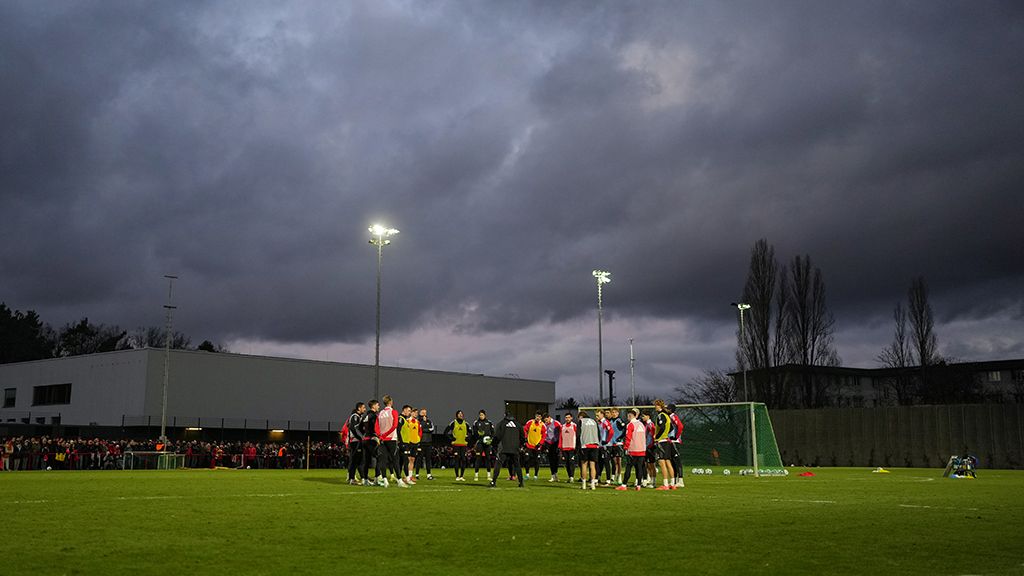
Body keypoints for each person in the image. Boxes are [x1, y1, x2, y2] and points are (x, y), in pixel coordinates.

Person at [375, 395, 406, 488]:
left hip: (382, 440)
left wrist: (380, 436)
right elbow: (395, 425)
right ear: (391, 402)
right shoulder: (394, 412)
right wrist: (385, 435)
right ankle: (400, 480)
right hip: (391, 438)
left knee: (383, 460)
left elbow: (376, 427)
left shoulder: (380, 413)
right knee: (395, 459)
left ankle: (385, 480)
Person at [490, 409, 523, 488]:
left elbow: (497, 436)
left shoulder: (501, 424)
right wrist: (519, 446)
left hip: (504, 448)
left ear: (505, 415)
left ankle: (493, 481)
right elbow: (522, 437)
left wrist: (494, 445)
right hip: (515, 449)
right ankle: (521, 482)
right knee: (517, 465)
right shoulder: (518, 424)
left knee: (498, 464)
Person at [617, 408, 647, 491]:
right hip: (642, 449)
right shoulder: (641, 424)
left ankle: (624, 485)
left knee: (629, 467)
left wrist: (626, 447)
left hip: (633, 449)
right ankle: (638, 486)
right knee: (639, 467)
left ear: (630, 416)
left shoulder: (630, 425)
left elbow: (628, 437)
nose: (627, 418)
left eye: (628, 416)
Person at [653, 399, 676, 490]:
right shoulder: (667, 415)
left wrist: (657, 437)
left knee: (662, 462)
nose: (655, 407)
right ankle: (672, 484)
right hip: (667, 440)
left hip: (662, 441)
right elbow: (670, 428)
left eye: (656, 405)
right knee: (668, 462)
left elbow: (662, 427)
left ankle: (665, 484)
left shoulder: (660, 415)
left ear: (659, 406)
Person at [444, 410, 470, 481]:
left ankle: (462, 476)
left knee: (464, 460)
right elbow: (445, 432)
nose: (461, 415)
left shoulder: (466, 423)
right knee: (457, 459)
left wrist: (468, 438)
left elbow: (470, 432)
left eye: (462, 414)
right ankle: (457, 476)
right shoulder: (453, 422)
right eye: (459, 414)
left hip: (464, 444)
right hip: (456, 444)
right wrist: (451, 439)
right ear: (456, 415)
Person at [577, 409, 599, 490]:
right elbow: (598, 433)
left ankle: (584, 484)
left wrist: (578, 447)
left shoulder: (581, 422)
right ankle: (593, 484)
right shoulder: (594, 421)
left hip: (585, 445)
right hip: (595, 445)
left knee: (584, 464)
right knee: (592, 465)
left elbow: (578, 435)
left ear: (581, 417)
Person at [399, 405, 421, 485]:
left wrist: (418, 440)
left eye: (417, 413)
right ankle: (404, 477)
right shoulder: (406, 420)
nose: (416, 414)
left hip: (415, 443)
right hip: (408, 443)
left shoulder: (418, 422)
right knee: (406, 460)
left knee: (412, 460)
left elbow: (420, 432)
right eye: (414, 412)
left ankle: (410, 476)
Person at [346, 402, 366, 484]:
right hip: (355, 441)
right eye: (363, 407)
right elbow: (353, 428)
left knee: (358, 460)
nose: (364, 409)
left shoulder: (358, 417)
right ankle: (352, 479)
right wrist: (360, 438)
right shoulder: (355, 416)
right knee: (355, 461)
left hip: (356, 441)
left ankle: (361, 477)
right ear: (359, 408)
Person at [360, 400, 380, 486]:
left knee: (366, 461)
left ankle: (365, 480)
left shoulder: (365, 416)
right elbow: (376, 428)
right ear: (374, 406)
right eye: (378, 405)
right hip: (372, 440)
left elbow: (359, 427)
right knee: (380, 457)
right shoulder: (374, 416)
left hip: (365, 440)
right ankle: (377, 478)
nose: (379, 407)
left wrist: (363, 435)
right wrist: (376, 436)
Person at [472, 410, 495, 482]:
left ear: (485, 415)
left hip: (487, 444)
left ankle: (488, 475)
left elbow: (493, 432)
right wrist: (478, 435)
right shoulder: (476, 422)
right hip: (480, 443)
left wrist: (490, 439)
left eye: (482, 415)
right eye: (480, 415)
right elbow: (474, 432)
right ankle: (476, 475)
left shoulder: (489, 422)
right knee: (478, 458)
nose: (481, 416)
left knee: (488, 459)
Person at [522, 411, 546, 480]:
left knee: (536, 461)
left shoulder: (542, 425)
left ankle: (535, 476)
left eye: (539, 416)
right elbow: (525, 430)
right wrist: (526, 438)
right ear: (535, 416)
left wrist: (540, 443)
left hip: (537, 446)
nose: (538, 418)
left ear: (541, 417)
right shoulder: (530, 422)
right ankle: (527, 475)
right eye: (537, 416)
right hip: (529, 445)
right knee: (527, 459)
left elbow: (544, 436)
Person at [668, 404, 685, 488]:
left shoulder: (673, 416)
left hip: (675, 441)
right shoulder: (669, 417)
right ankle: (674, 480)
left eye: (668, 409)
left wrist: (676, 436)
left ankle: (681, 480)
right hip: (671, 441)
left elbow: (680, 426)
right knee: (672, 461)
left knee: (677, 460)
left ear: (671, 410)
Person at [415, 408, 435, 480]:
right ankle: (417, 474)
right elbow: (419, 430)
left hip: (429, 443)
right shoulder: (418, 421)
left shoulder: (429, 421)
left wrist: (424, 429)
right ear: (420, 413)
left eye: (425, 412)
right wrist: (425, 428)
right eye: (423, 412)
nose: (424, 413)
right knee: (419, 459)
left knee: (428, 459)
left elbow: (432, 429)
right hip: (421, 443)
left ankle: (429, 475)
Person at [558, 412, 578, 483]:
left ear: (571, 418)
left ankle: (572, 477)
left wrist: (577, 447)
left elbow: (577, 436)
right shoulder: (562, 426)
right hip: (564, 447)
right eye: (566, 417)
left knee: (571, 462)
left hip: (572, 447)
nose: (567, 419)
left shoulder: (574, 426)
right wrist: (560, 446)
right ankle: (569, 477)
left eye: (569, 417)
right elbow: (560, 437)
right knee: (566, 463)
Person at [542, 413, 562, 482]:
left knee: (556, 460)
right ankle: (553, 475)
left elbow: (561, 433)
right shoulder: (545, 425)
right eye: (545, 420)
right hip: (548, 443)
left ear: (549, 417)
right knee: (551, 460)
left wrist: (560, 444)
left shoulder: (556, 423)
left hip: (555, 443)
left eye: (546, 420)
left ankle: (555, 474)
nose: (546, 422)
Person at [642, 411, 657, 487]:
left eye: (644, 416)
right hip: (647, 447)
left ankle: (653, 482)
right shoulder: (646, 425)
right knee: (647, 464)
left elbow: (653, 435)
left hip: (650, 447)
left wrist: (652, 444)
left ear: (648, 416)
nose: (642, 417)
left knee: (652, 465)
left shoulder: (651, 425)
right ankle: (649, 479)